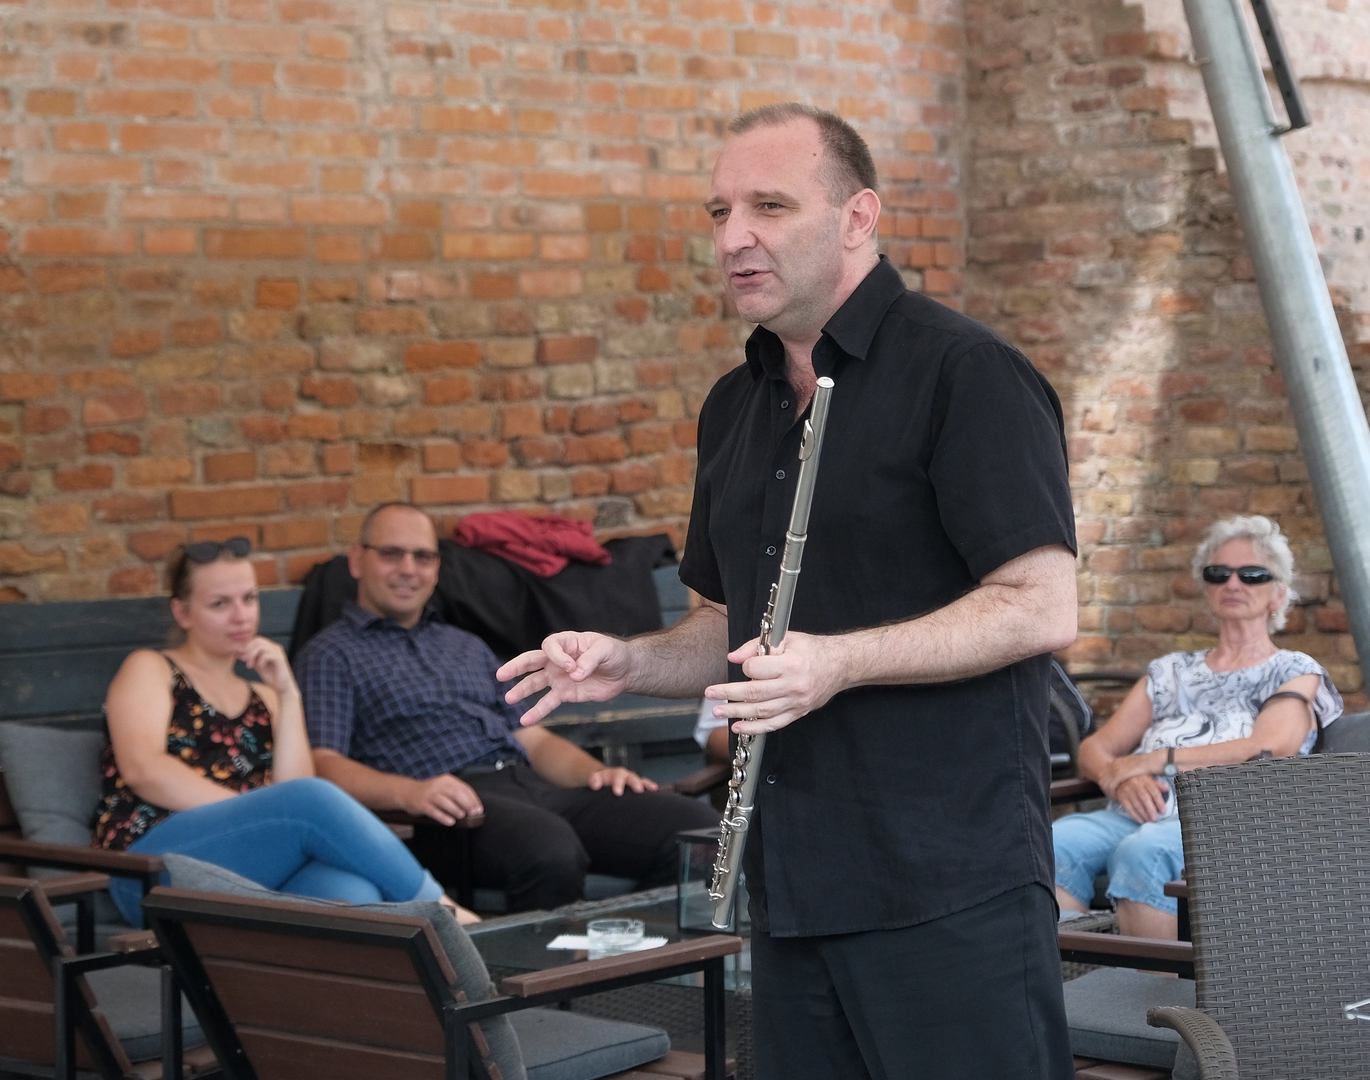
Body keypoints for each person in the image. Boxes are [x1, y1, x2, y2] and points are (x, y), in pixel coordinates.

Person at [499, 103, 1080, 1080]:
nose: (734, 237)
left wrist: (840, 663)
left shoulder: (967, 373)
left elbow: (1041, 602)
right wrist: (629, 662)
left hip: (946, 876)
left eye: (769, 206)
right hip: (791, 878)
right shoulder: (736, 406)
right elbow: (731, 627)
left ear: (859, 217)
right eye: (719, 212)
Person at [295, 502, 720, 914]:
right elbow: (323, 763)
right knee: (548, 849)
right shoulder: (331, 654)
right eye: (391, 554)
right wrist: (411, 793)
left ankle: (627, 948)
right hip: (445, 814)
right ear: (357, 561)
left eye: (423, 556)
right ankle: (554, 963)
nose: (409, 568)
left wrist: (595, 774)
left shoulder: (464, 645)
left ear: (437, 568)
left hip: (528, 785)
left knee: (697, 829)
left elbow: (529, 737)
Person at [92, 536, 474, 927]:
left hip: (249, 867)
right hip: (150, 868)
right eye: (220, 604)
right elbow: (144, 769)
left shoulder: (264, 697)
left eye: (249, 599)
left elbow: (294, 790)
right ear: (183, 612)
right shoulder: (151, 667)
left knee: (352, 892)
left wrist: (289, 693)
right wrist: (256, 815)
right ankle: (451, 917)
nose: (241, 616)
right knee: (309, 801)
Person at [1054, 515, 1341, 938]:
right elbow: (1093, 749)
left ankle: (1149, 981)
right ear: (1206, 587)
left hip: (1228, 821)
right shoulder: (1171, 671)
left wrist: (1154, 760)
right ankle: (1074, 975)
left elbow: (1271, 745)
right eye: (1218, 573)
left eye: (1252, 574)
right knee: (1053, 842)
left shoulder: (1293, 669)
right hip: (1135, 813)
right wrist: (1119, 777)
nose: (1233, 583)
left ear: (1278, 595)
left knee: (1145, 852)